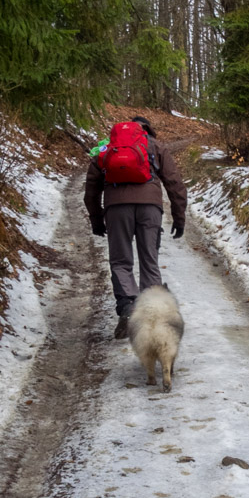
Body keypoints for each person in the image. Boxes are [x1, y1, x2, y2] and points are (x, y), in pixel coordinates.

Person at [84, 115, 187, 338]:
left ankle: (128, 308)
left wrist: (96, 219)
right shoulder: (156, 145)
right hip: (150, 207)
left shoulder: (107, 147)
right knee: (149, 259)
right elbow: (175, 183)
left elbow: (91, 187)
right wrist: (179, 218)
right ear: (148, 129)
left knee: (121, 261)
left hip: (116, 208)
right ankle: (152, 314)